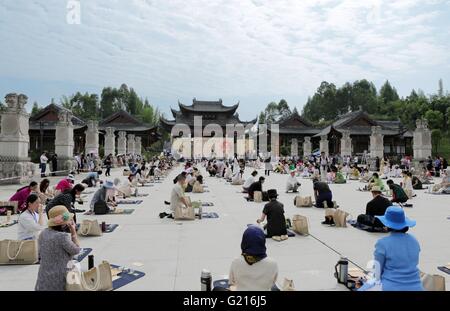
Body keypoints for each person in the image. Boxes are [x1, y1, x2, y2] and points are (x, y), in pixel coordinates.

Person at [359, 207, 423, 291]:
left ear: (387, 224)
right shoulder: (414, 241)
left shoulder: (383, 243)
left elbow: (377, 273)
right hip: (417, 287)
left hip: (390, 287)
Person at [35, 205, 81, 291]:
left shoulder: (43, 233)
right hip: (59, 280)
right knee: (77, 266)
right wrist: (73, 232)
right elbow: (76, 250)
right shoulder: (62, 236)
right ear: (65, 223)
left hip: (43, 279)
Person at [228, 226, 278, 291]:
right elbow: (273, 283)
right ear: (263, 242)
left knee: (217, 288)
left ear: (244, 242)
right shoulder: (273, 264)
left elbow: (231, 283)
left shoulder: (236, 262)